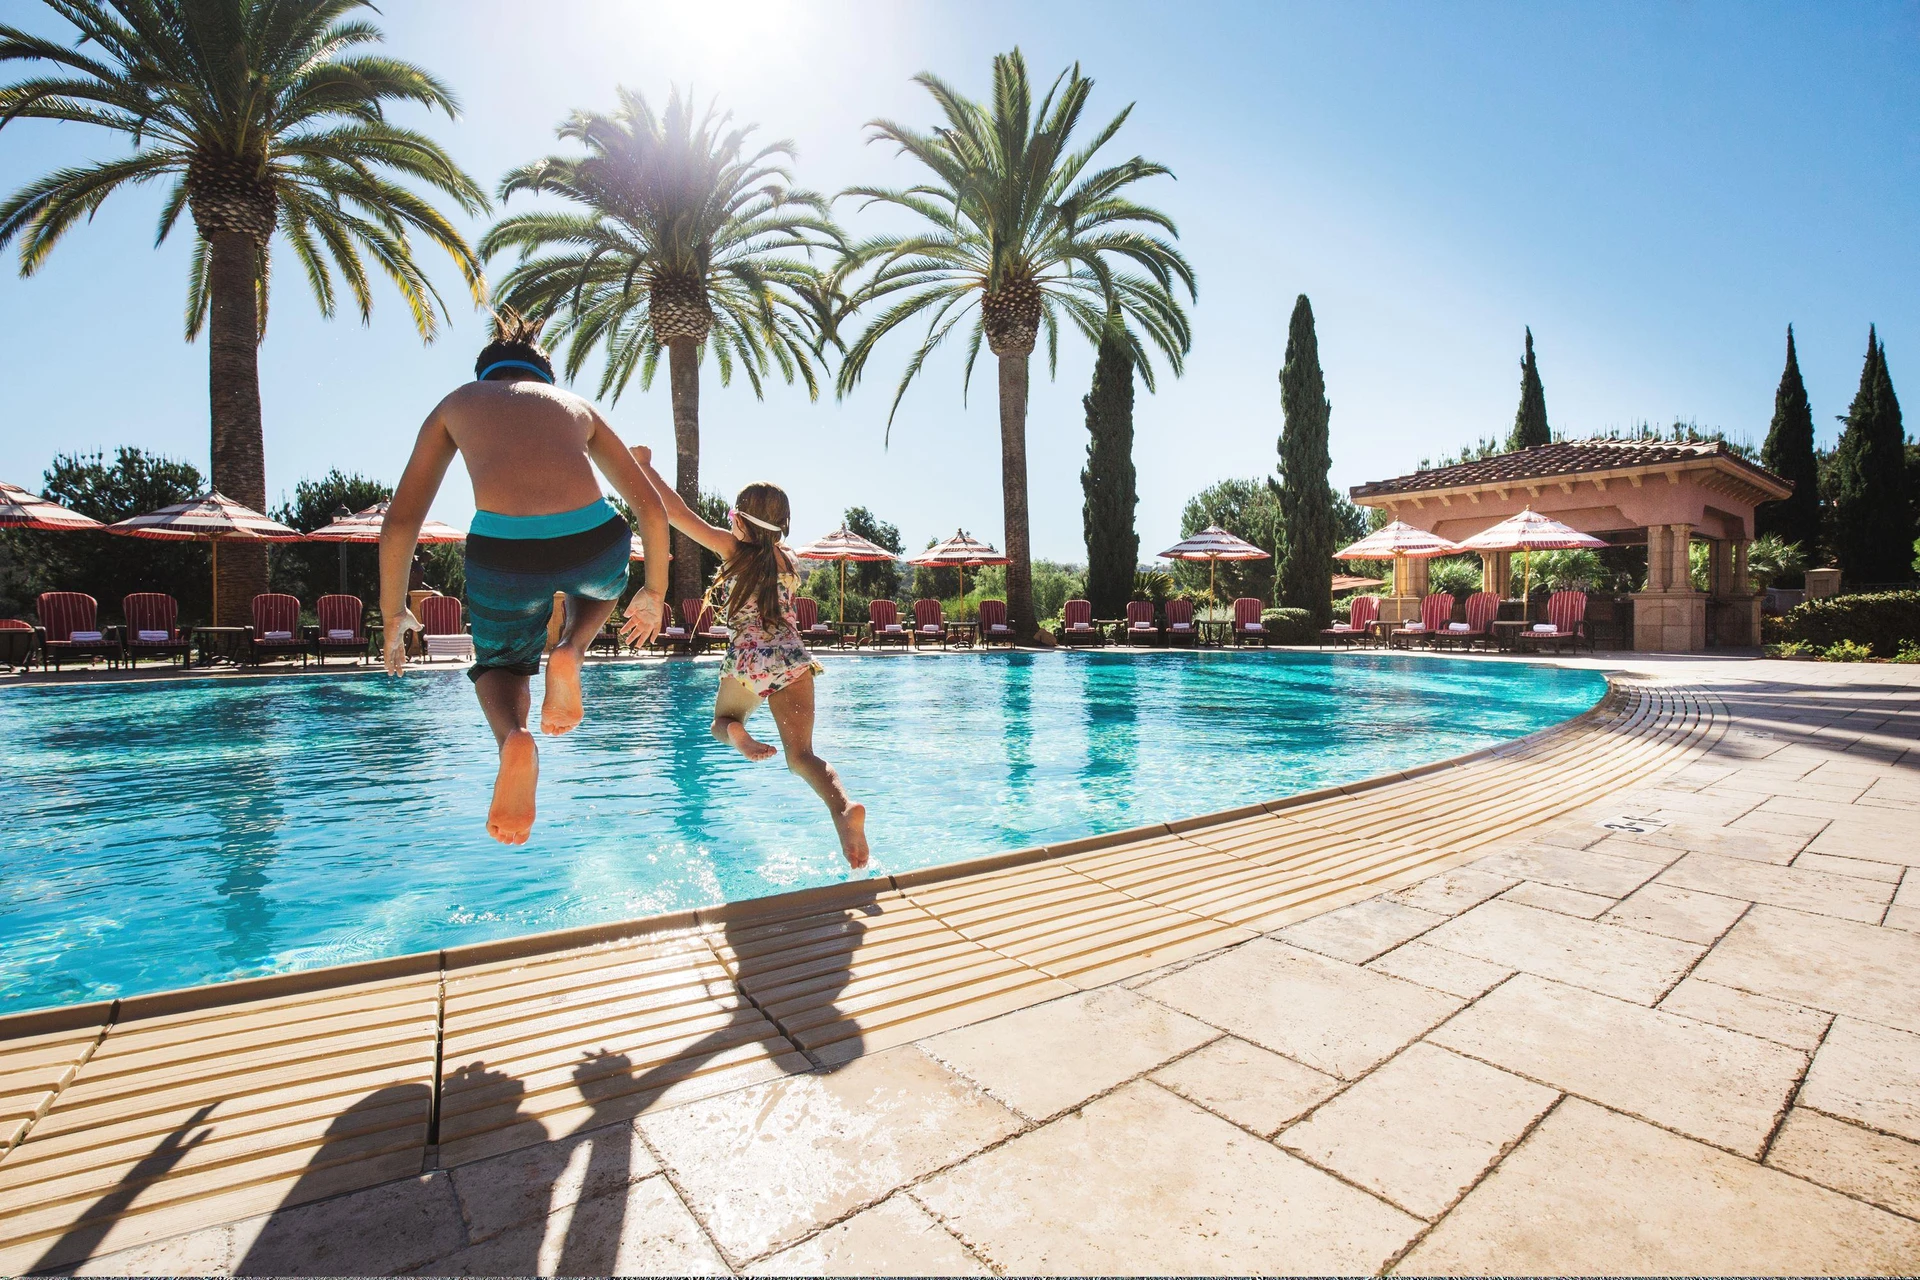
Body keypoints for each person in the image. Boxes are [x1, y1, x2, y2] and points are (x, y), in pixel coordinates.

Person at [380, 310, 669, 845]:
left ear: (485, 374)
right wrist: (654, 591)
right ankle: (572, 649)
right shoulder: (575, 406)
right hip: (594, 537)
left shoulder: (456, 403)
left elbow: (401, 522)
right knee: (603, 588)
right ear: (545, 379)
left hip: (503, 554)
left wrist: (394, 610)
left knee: (501, 664)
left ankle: (514, 736)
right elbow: (649, 506)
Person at [621, 449, 869, 870]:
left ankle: (737, 733)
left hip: (749, 656)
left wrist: (644, 470)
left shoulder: (733, 548)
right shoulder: (789, 559)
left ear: (739, 519)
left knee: (721, 722)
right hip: (792, 654)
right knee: (802, 756)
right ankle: (844, 810)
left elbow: (676, 512)